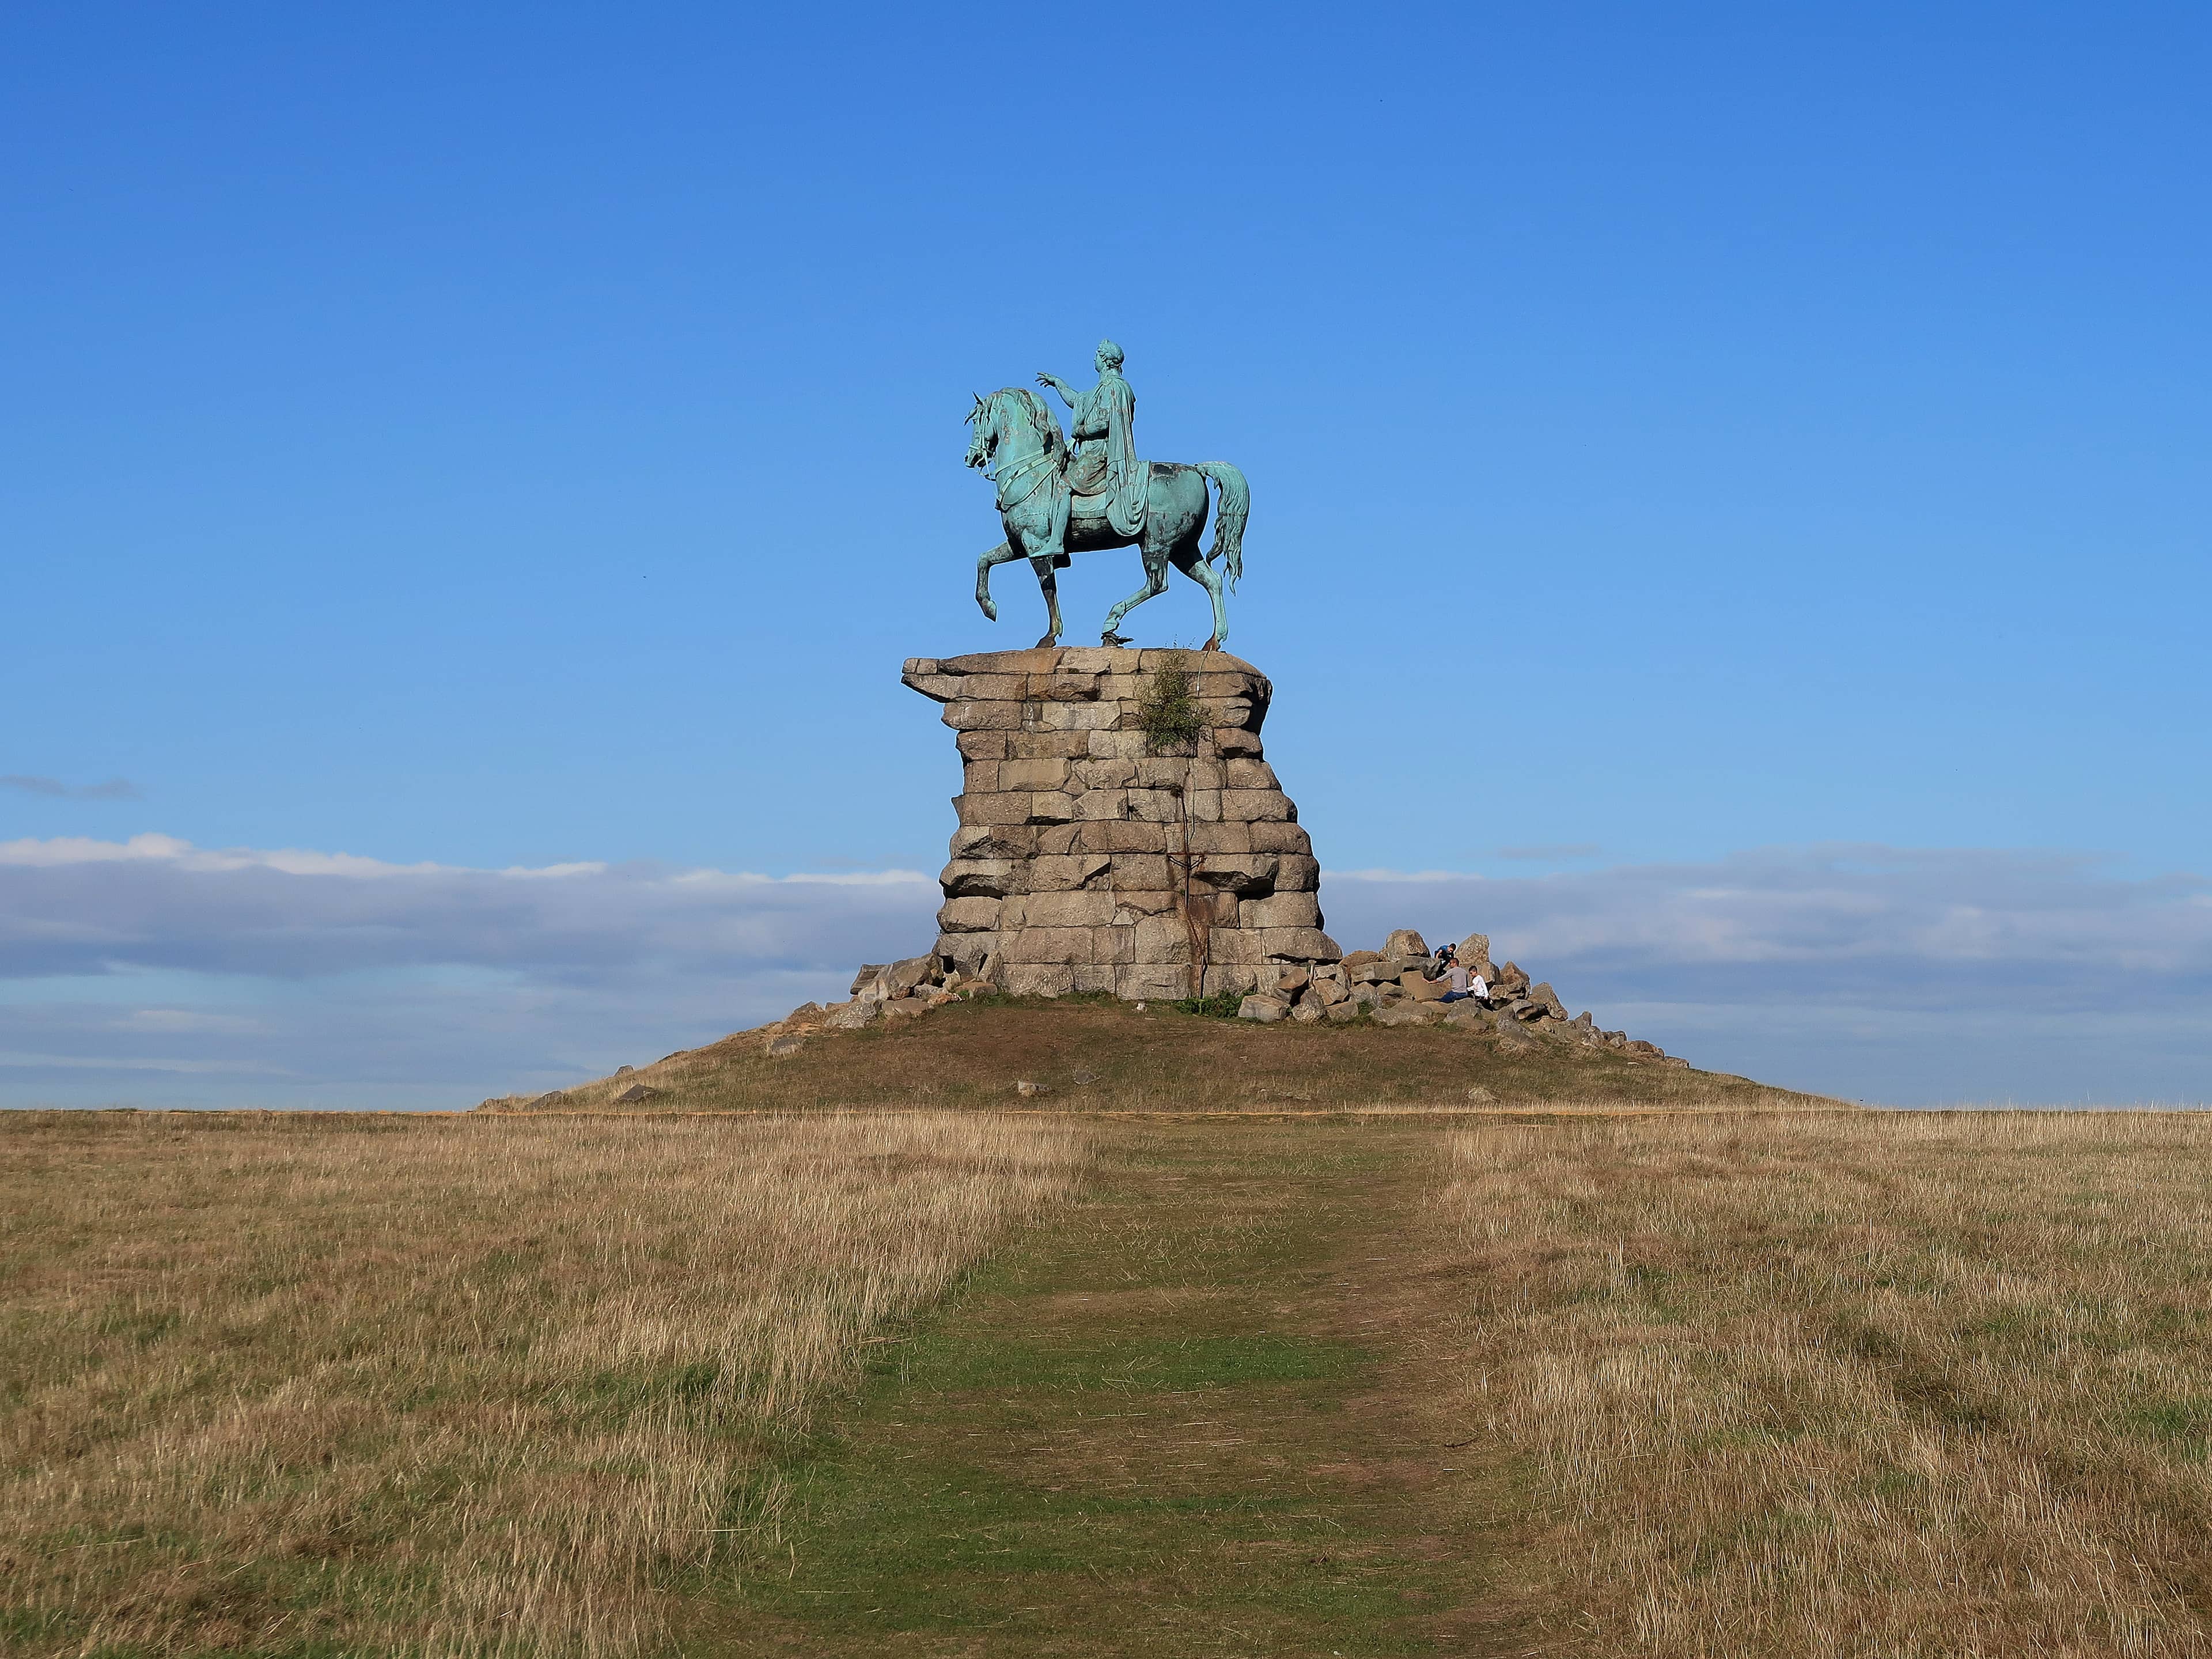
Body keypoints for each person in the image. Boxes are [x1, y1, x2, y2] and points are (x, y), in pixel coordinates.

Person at [1037, 339, 1147, 538]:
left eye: (1097, 355)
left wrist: (1080, 431)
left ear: (1104, 360)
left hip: (1100, 455)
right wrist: (1058, 384)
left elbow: (1105, 421)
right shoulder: (1103, 388)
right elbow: (1078, 400)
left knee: (1062, 486)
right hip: (1091, 453)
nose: (1094, 358)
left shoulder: (1114, 387)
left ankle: (1056, 542)